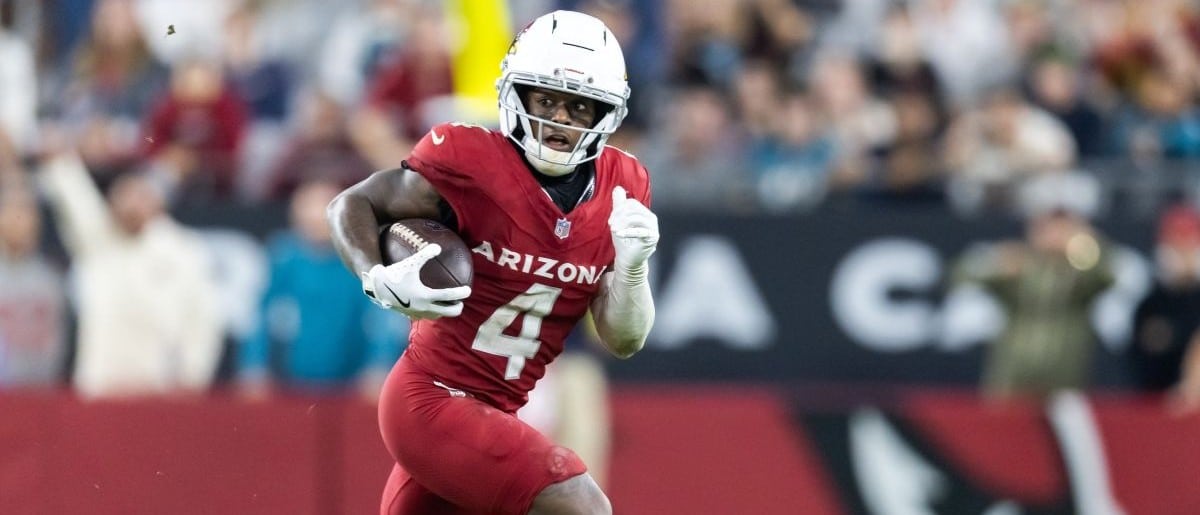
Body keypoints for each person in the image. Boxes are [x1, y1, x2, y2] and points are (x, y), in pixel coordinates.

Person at [327, 11, 658, 515]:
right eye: (545, 99)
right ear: (515, 94)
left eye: (577, 106)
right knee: (583, 507)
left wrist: (632, 271)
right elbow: (350, 206)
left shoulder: (626, 187)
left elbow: (624, 339)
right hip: (429, 397)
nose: (558, 119)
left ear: (604, 113)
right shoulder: (467, 160)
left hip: (498, 408)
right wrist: (375, 275)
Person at [38, 152, 223, 399]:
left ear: (158, 202)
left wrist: (193, 375)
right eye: (123, 197)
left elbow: (203, 318)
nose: (132, 205)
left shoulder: (183, 251)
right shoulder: (99, 244)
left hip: (160, 387)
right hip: (100, 385)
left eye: (141, 196)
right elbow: (76, 200)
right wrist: (61, 162)